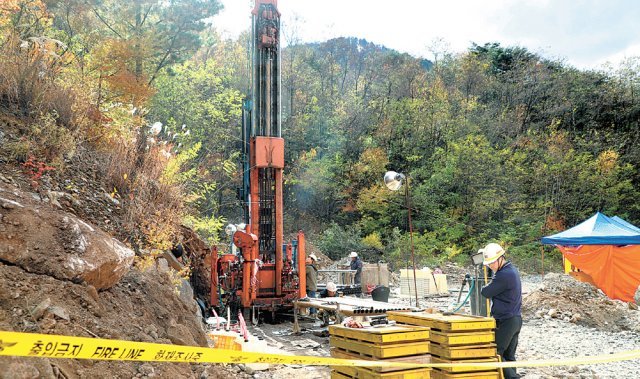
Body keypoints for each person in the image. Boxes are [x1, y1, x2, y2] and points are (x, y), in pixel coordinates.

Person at [480, 243, 522, 379]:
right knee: (509, 355)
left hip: (506, 321)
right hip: (515, 319)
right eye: (488, 264)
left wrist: (490, 281)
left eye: (492, 263)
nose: (490, 266)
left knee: (497, 352)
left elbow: (486, 292)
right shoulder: (511, 270)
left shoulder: (504, 275)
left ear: (500, 258)